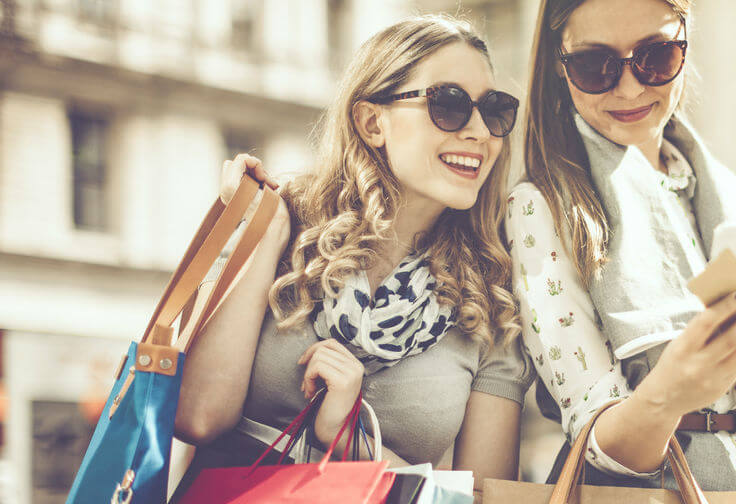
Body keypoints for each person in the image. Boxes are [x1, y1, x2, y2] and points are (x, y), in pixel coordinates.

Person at [172, 14, 533, 489]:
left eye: (494, 110)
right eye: (450, 104)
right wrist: (268, 230)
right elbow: (197, 416)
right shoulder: (283, 228)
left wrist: (349, 439)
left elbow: (484, 498)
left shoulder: (493, 300)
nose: (479, 132)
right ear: (371, 122)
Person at [506, 1, 736, 502]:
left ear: (687, 41)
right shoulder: (542, 206)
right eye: (594, 65)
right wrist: (670, 394)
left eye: (656, 56)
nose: (629, 88)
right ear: (559, 65)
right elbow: (597, 441)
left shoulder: (714, 189)